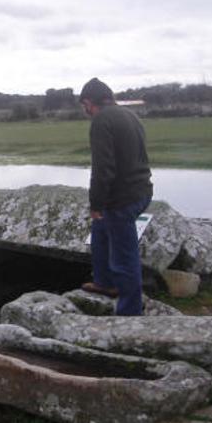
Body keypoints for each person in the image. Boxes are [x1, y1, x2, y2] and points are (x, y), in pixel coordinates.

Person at [78, 78, 153, 316]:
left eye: (84, 106)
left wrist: (96, 203)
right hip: (142, 191)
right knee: (100, 229)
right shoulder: (129, 115)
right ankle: (104, 282)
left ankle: (130, 311)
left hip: (123, 199)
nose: (85, 111)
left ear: (89, 103)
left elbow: (103, 168)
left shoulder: (101, 121)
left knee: (124, 256)